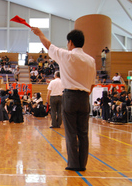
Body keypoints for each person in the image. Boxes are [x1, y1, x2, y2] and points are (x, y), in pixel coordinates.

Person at [32, 27, 96, 171]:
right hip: (85, 97)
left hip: (70, 96)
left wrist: (40, 34)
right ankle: (82, 164)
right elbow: (92, 84)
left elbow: (48, 45)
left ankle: (73, 164)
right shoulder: (91, 60)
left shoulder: (66, 55)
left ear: (71, 42)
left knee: (71, 132)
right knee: (83, 133)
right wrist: (85, 94)